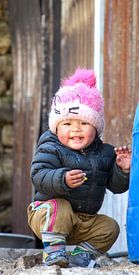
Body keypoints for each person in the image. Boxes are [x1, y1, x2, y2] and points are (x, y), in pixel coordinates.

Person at [27, 68, 131, 268]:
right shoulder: (51, 146)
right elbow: (38, 175)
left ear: (96, 126)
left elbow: (116, 187)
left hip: (84, 220)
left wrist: (122, 170)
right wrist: (62, 179)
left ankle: (80, 255)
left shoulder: (105, 153)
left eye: (84, 122)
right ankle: (54, 250)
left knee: (110, 227)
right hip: (46, 214)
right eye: (67, 123)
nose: (75, 129)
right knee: (62, 207)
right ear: (56, 127)